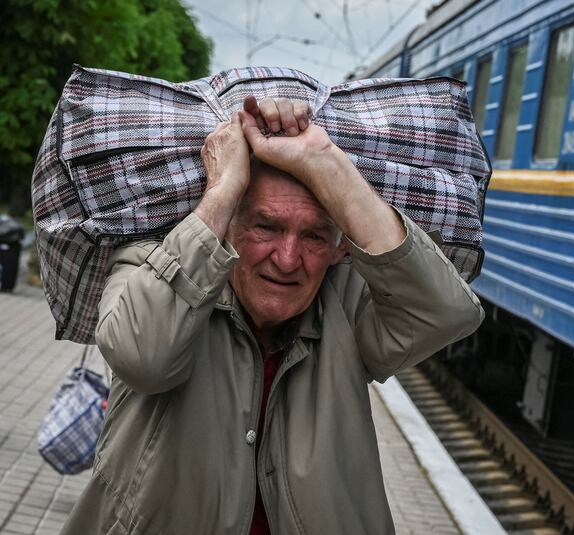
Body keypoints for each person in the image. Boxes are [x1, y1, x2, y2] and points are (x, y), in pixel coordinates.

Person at [59, 96, 484, 535]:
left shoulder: (346, 303)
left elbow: (448, 313)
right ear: (228, 224)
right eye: (266, 227)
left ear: (341, 248)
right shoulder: (150, 267)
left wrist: (328, 165)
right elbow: (142, 355)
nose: (286, 259)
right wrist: (223, 189)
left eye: (315, 236)